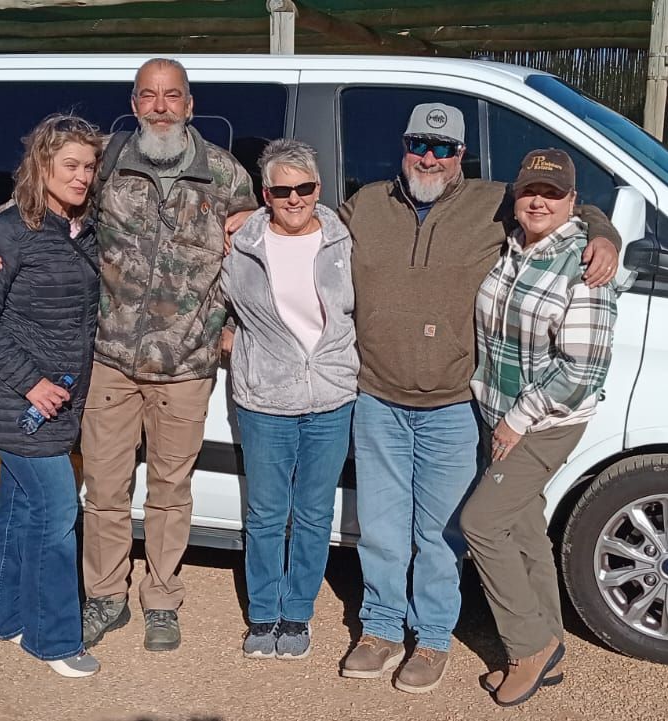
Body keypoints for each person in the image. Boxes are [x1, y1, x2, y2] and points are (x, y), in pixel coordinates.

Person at [0, 58, 256, 653]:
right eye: (148, 95)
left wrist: (231, 326)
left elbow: (260, 246)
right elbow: (39, 200)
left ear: (191, 104)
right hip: (110, 361)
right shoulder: (110, 159)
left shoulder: (226, 175)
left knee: (172, 491)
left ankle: (163, 601)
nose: (161, 106)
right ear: (134, 102)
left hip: (187, 366)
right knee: (105, 489)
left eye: (173, 95)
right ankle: (104, 597)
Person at [335, 103, 620, 693]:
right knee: (383, 527)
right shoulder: (364, 204)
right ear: (404, 145)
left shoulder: (493, 203)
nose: (430, 157)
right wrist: (239, 215)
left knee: (442, 531)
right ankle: (382, 627)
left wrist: (606, 233)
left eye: (444, 149)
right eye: (419, 144)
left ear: (462, 155)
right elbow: (302, 223)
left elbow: (566, 206)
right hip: (377, 397)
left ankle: (433, 637)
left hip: (453, 404)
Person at [462, 149, 618, 707]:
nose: (538, 201)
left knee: (481, 524)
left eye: (553, 194)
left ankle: (525, 646)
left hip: (541, 421)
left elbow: (583, 368)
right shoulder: (512, 247)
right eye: (531, 190)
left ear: (572, 201)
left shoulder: (585, 264)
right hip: (499, 411)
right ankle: (550, 637)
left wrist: (517, 421)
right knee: (523, 525)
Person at [0, 114, 104, 678]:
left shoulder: (80, 227)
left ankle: (1, 617)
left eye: (89, 167)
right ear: (41, 166)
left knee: (18, 509)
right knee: (56, 512)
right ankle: (53, 642)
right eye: (69, 165)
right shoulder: (11, 232)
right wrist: (31, 382)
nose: (82, 177)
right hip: (19, 401)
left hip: (55, 399)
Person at [220, 139, 356, 662]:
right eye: (282, 189)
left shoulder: (345, 238)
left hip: (331, 395)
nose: (295, 198)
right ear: (265, 193)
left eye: (305, 187)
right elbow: (206, 296)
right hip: (265, 397)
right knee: (267, 512)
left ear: (319, 189)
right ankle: (263, 613)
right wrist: (226, 339)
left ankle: (297, 612)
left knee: (315, 512)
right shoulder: (240, 242)